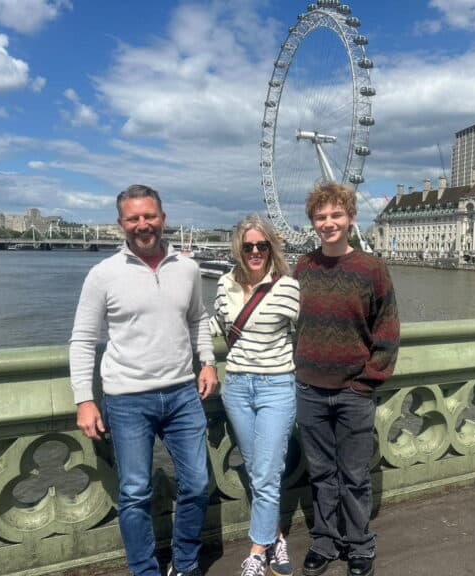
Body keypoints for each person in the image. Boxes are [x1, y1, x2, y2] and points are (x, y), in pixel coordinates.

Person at [69, 184, 218, 576]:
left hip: (183, 392)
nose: (142, 224)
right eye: (133, 218)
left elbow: (198, 319)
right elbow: (83, 338)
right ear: (121, 224)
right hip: (127, 399)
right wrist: (84, 399)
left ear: (163, 219)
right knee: (135, 493)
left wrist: (207, 362)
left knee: (198, 484)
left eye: (149, 216)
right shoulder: (103, 274)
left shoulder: (187, 268)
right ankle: (145, 570)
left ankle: (185, 564)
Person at [293, 182, 399, 576]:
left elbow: (388, 328)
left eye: (336, 215)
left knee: (354, 476)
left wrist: (368, 380)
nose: (329, 222)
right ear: (313, 223)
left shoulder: (372, 269)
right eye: (321, 217)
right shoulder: (303, 267)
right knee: (320, 473)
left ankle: (359, 544)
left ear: (350, 218)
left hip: (354, 390)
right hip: (309, 388)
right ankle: (324, 541)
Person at [211, 214, 300, 576]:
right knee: (259, 469)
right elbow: (213, 326)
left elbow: (302, 335)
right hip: (237, 387)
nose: (255, 252)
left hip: (277, 386)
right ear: (238, 248)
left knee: (264, 472)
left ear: (271, 248)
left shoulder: (288, 287)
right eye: (248, 246)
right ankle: (277, 537)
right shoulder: (223, 285)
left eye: (261, 245)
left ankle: (256, 552)